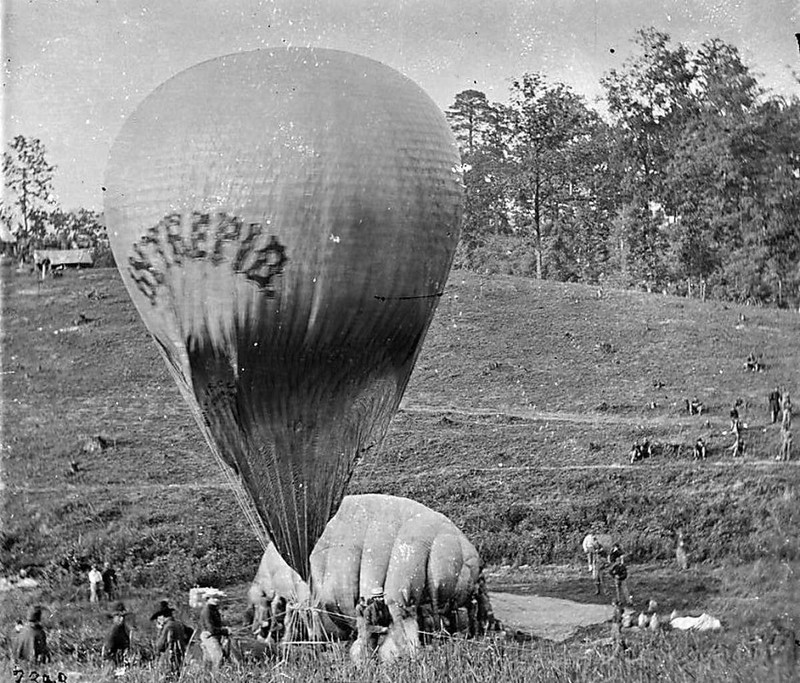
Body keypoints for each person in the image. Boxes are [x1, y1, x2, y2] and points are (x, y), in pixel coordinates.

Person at [153, 604, 193, 674]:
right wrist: (184, 644)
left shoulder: (168, 626)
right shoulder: (179, 624)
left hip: (169, 658)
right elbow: (190, 632)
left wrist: (160, 631)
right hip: (180, 656)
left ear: (162, 616)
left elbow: (160, 646)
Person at [199, 591, 229, 671]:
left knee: (208, 661)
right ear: (208, 599)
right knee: (219, 657)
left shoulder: (213, 610)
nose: (217, 600)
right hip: (210, 637)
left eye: (218, 598)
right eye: (214, 598)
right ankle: (217, 678)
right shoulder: (207, 611)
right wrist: (225, 631)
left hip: (213, 636)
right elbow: (211, 629)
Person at [362, 587, 392, 654]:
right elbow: (367, 627)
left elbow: (390, 620)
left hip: (384, 636)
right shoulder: (368, 610)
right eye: (380, 597)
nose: (382, 599)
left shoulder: (385, 608)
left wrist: (390, 627)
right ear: (375, 599)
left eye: (382, 597)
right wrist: (381, 629)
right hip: (372, 637)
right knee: (373, 655)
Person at [103, 601, 131, 667]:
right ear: (113, 617)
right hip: (112, 663)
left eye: (123, 616)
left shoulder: (124, 629)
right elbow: (108, 652)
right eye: (118, 616)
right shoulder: (113, 631)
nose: (122, 619)